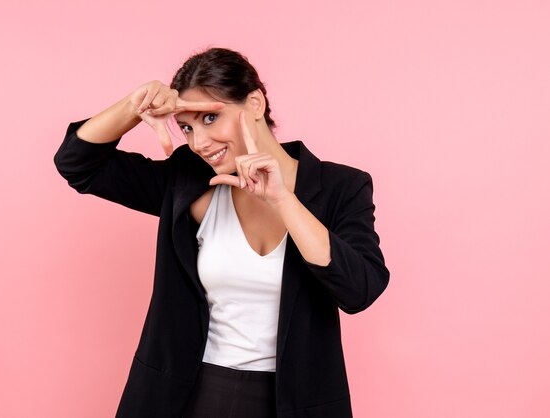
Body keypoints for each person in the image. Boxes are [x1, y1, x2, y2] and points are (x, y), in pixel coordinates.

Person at [53, 47, 390, 418]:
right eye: (186, 127)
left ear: (256, 103)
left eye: (210, 118)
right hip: (189, 396)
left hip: (293, 401)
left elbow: (360, 290)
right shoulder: (187, 180)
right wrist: (134, 106)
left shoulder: (342, 187)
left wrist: (283, 200)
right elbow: (77, 164)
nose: (198, 143)